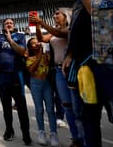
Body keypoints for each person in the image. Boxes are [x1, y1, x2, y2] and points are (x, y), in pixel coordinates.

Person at [63, 0, 113, 147]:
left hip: (111, 65)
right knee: (87, 117)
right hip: (85, 67)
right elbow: (74, 31)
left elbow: (105, 16)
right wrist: (69, 54)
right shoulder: (78, 4)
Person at [30, 8, 82, 147]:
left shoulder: (70, 28)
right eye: (54, 14)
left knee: (77, 105)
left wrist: (41, 21)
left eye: (57, 13)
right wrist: (38, 26)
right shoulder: (53, 30)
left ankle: (82, 136)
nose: (54, 16)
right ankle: (75, 138)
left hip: (71, 69)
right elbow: (41, 39)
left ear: (66, 16)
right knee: (66, 105)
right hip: (58, 71)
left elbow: (59, 33)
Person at [0, 18, 32, 146]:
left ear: (14, 25)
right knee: (6, 106)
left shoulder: (19, 36)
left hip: (16, 76)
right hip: (2, 78)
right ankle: (9, 130)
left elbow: (22, 51)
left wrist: (10, 40)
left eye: (11, 23)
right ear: (3, 25)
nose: (9, 24)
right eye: (6, 23)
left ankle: (26, 133)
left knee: (21, 107)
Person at [26, 38, 59, 146]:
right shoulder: (29, 58)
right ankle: (41, 133)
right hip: (35, 84)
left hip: (47, 84)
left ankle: (53, 133)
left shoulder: (46, 55)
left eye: (37, 42)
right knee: (39, 109)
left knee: (50, 109)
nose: (36, 44)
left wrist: (44, 51)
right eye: (33, 43)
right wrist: (40, 55)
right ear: (30, 47)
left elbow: (50, 62)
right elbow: (31, 70)